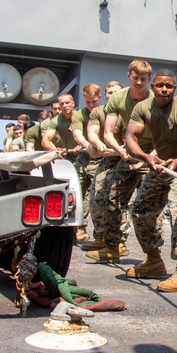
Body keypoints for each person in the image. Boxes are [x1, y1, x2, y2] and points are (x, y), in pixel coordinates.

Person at [123, 69, 177, 292]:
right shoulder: (143, 108)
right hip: (158, 165)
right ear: (153, 87)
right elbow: (131, 137)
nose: (164, 90)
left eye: (168, 86)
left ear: (174, 89)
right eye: (159, 85)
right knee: (140, 209)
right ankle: (154, 260)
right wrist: (146, 156)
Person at [85, 60, 154, 264]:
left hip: (153, 150)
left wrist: (148, 158)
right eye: (136, 78)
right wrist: (120, 149)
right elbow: (107, 132)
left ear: (149, 79)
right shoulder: (118, 98)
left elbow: (164, 135)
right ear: (128, 77)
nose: (139, 82)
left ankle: (153, 258)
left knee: (150, 204)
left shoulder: (155, 100)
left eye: (143, 79)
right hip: (128, 148)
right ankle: (112, 247)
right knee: (111, 196)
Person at [80, 80, 125, 250]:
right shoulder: (99, 112)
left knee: (120, 200)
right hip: (107, 158)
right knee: (96, 197)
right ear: (105, 95)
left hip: (126, 159)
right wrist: (96, 143)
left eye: (117, 92)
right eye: (110, 93)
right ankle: (101, 236)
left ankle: (119, 241)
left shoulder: (130, 110)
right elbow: (92, 132)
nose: (113, 96)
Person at [70, 84, 102, 241]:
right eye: (88, 102)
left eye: (94, 101)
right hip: (84, 158)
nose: (91, 105)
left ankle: (97, 235)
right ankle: (77, 228)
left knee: (97, 196)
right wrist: (87, 146)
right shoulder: (79, 115)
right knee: (75, 192)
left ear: (99, 98)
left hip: (102, 158)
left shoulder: (106, 113)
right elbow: (77, 134)